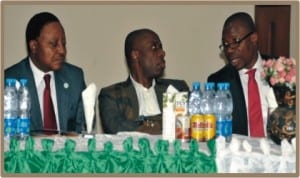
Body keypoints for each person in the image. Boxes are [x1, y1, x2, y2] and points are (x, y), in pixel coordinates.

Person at [5, 12, 86, 135]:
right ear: (34, 46)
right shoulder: (9, 81)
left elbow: (83, 129)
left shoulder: (75, 78)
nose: (62, 51)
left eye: (63, 43)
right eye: (54, 45)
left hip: (66, 153)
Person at [98, 28, 189, 135]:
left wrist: (142, 127)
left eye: (161, 47)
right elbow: (116, 129)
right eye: (154, 47)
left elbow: (185, 125)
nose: (162, 53)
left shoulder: (177, 89)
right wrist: (164, 123)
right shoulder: (111, 95)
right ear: (135, 55)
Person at [207, 12, 277, 137]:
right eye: (226, 45)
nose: (229, 50)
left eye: (236, 42)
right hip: (240, 153)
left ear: (254, 38)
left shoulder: (282, 70)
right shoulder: (218, 82)